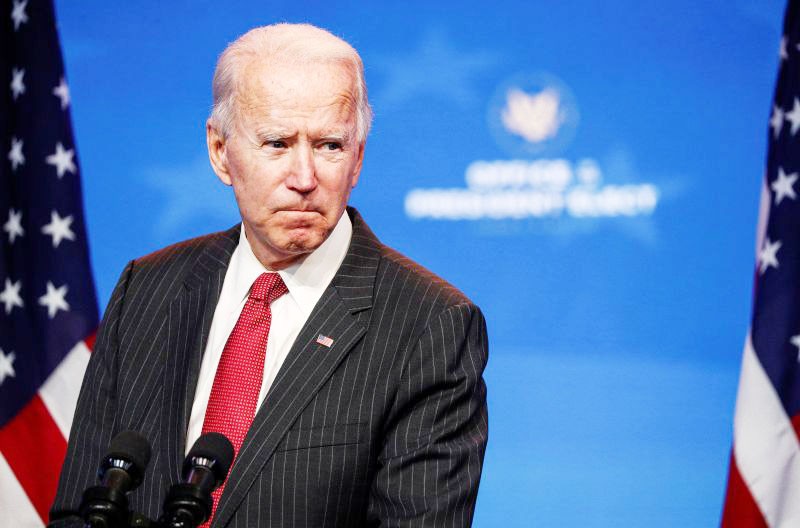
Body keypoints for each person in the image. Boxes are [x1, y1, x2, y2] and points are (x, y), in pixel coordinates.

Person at [50, 23, 488, 527]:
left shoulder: (430, 325)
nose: (304, 178)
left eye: (329, 146)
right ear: (220, 151)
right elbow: (77, 512)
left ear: (358, 158)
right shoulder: (148, 288)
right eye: (277, 143)